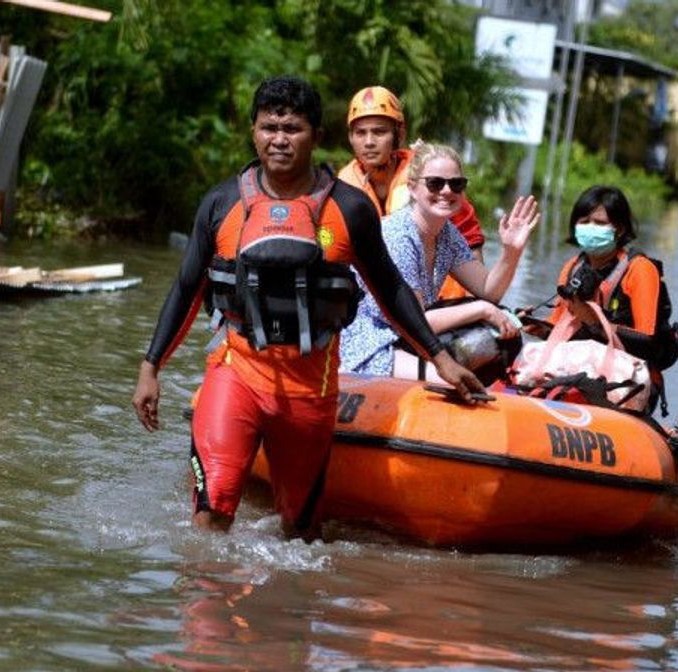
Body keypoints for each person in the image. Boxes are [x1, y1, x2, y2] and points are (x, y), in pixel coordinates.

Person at [132, 76, 485, 538]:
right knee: (212, 513)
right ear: (254, 132)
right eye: (268, 127)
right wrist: (151, 366)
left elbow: (391, 290)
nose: (279, 139)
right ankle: (208, 602)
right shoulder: (220, 203)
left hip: (311, 386)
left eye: (293, 128)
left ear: (316, 137)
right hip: (235, 371)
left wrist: (441, 358)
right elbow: (186, 287)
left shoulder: (351, 208)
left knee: (301, 533)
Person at [339, 142, 540, 380]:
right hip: (371, 343)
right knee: (452, 382)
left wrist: (511, 252)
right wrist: (482, 309)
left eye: (456, 184)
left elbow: (489, 290)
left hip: (408, 338)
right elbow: (413, 320)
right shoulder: (399, 236)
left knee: (497, 336)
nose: (447, 191)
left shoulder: (446, 234)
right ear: (412, 188)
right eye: (435, 183)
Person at [534, 185, 678, 414]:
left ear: (619, 229)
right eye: (584, 221)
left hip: (629, 380)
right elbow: (557, 327)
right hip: (580, 372)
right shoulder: (572, 268)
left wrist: (594, 323)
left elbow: (647, 342)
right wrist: (529, 324)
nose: (590, 228)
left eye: (600, 223)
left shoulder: (640, 269)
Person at [338, 86, 485, 298]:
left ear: (399, 134)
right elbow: (333, 245)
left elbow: (469, 236)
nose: (369, 142)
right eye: (360, 133)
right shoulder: (344, 184)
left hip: (441, 295)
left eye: (379, 132)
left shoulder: (432, 174)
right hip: (378, 295)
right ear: (351, 137)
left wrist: (476, 300)